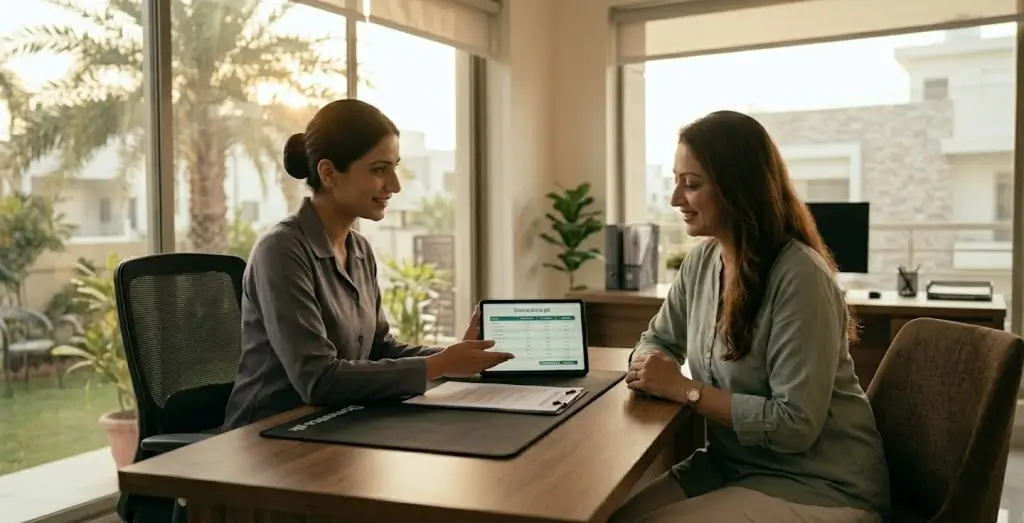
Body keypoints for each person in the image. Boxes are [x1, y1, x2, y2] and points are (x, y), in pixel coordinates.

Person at [609, 110, 890, 523]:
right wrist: (649, 363)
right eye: (676, 181)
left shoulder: (800, 277)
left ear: (738, 188)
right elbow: (657, 339)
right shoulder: (702, 261)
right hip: (730, 465)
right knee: (609, 519)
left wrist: (684, 390)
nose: (675, 199)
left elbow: (794, 425)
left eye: (692, 184)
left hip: (821, 484)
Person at [222, 99, 513, 430]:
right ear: (329, 173)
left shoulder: (358, 249)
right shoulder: (281, 251)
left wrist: (456, 356)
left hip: (337, 421)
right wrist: (439, 365)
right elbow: (319, 380)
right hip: (266, 436)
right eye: (379, 169)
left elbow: (378, 348)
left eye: (394, 167)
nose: (395, 185)